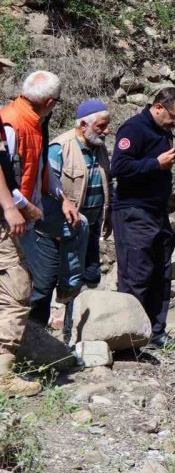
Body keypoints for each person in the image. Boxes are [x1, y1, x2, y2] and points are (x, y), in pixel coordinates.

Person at [110, 87, 175, 348]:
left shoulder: (163, 131)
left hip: (156, 213)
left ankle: (155, 333)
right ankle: (129, 337)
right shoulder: (134, 128)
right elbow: (118, 167)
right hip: (134, 212)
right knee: (136, 274)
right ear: (158, 107)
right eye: (173, 116)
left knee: (160, 273)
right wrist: (156, 163)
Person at [28, 100, 111, 341]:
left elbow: (107, 185)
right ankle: (35, 342)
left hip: (87, 233)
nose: (107, 131)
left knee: (81, 284)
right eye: (102, 126)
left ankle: (72, 338)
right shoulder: (59, 148)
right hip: (54, 235)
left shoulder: (99, 148)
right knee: (43, 289)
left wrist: (108, 217)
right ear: (84, 124)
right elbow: (45, 190)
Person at [0, 71, 61, 397]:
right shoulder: (14, 123)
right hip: (8, 218)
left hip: (13, 214)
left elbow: (33, 169)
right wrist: (21, 207)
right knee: (17, 289)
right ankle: (3, 375)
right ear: (50, 102)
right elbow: (8, 175)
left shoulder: (26, 120)